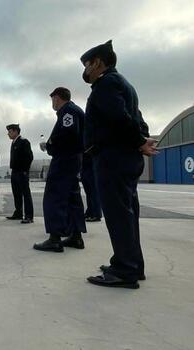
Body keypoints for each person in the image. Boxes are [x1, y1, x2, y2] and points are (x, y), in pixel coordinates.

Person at [81, 40, 157, 289]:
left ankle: (125, 271)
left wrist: (138, 142)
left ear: (99, 63)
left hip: (113, 158)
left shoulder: (106, 84)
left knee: (118, 215)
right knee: (127, 214)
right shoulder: (125, 85)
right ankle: (132, 264)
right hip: (125, 158)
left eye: (87, 64)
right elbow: (137, 119)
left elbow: (119, 118)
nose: (85, 69)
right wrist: (141, 141)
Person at [34, 87, 87, 252]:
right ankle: (76, 236)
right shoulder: (74, 111)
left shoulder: (68, 111)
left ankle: (55, 238)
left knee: (54, 196)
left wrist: (49, 145)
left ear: (57, 98)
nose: (52, 103)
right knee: (72, 197)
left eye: (52, 99)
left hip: (65, 159)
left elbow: (68, 135)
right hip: (74, 158)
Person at [5, 124, 34, 224]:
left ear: (16, 131)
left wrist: (25, 170)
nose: (8, 134)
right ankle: (18, 213)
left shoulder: (23, 141)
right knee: (16, 193)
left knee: (26, 194)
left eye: (10, 131)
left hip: (22, 171)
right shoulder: (14, 143)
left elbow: (29, 157)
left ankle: (29, 216)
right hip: (15, 171)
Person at [81, 153, 102, 222]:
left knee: (92, 189)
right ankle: (91, 211)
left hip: (90, 159)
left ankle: (96, 213)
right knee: (89, 190)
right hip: (86, 160)